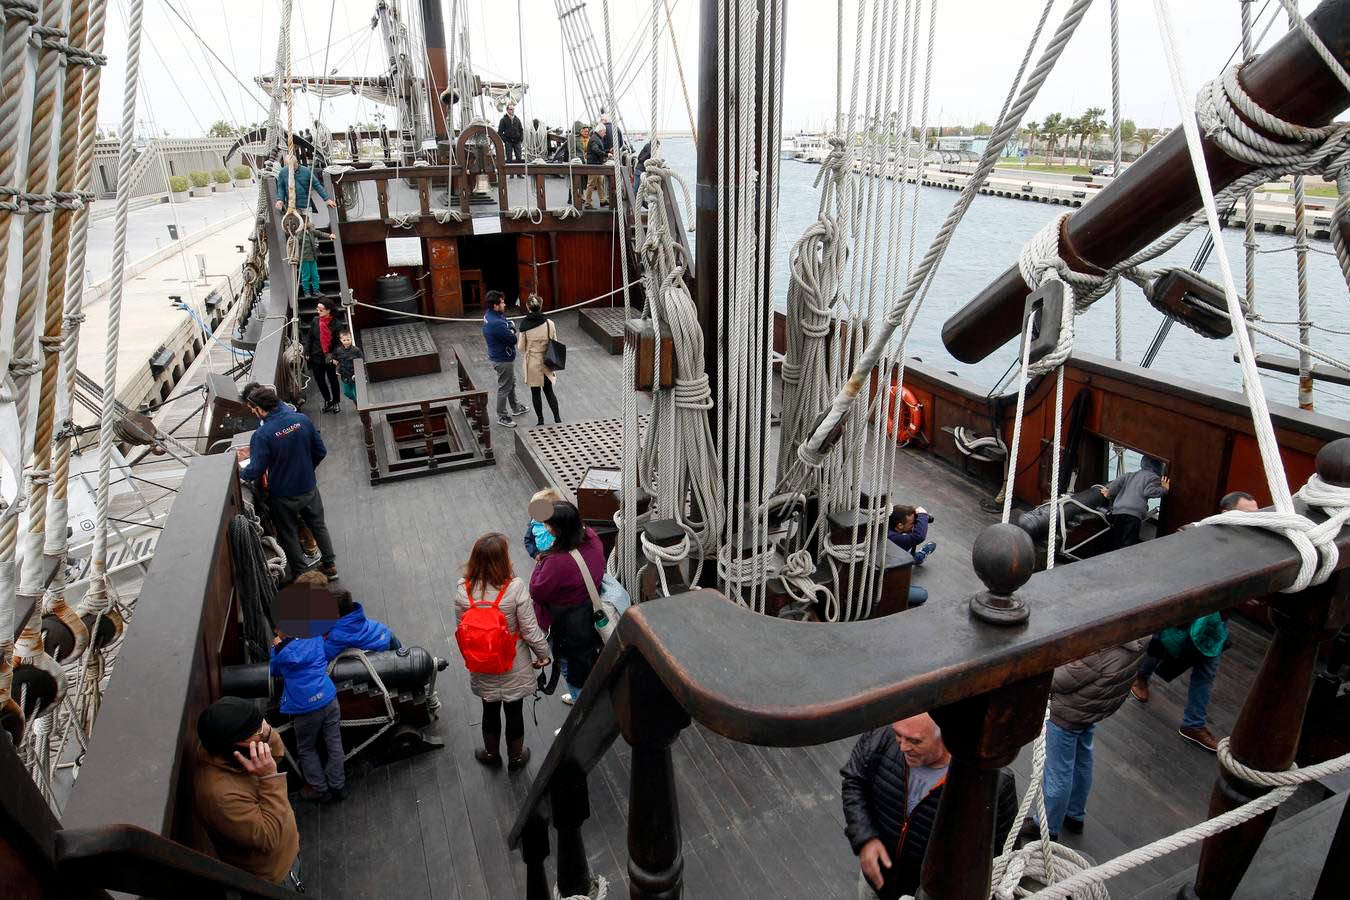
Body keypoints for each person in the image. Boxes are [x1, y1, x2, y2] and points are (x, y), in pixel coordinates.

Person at [1128, 490, 1255, 752]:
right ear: (1225, 514)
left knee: (1206, 669)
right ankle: (1140, 677)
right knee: (1160, 645)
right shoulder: (1193, 535)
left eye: (1256, 516)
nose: (1253, 521)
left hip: (1216, 618)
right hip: (1186, 613)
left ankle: (1193, 723)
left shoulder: (1251, 544)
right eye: (1247, 515)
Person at [842, 713, 1018, 899]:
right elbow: (854, 781)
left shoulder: (993, 784)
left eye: (915, 741)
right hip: (875, 884)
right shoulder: (882, 736)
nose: (902, 747)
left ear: (945, 736)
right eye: (898, 735)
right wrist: (865, 839)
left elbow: (1000, 851)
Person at [457, 533, 551, 771]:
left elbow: (461, 629)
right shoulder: (515, 588)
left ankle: (491, 753)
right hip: (513, 662)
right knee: (514, 709)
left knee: (489, 707)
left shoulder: (463, 590)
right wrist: (543, 654)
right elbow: (529, 630)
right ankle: (516, 758)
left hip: (482, 661)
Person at [1041, 638, 1147, 838]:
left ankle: (1047, 827)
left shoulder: (1103, 648)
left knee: (1058, 771)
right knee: (1082, 759)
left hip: (1069, 712)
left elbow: (1058, 680)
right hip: (1094, 707)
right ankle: (1075, 814)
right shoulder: (1141, 637)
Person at [193, 697, 302, 888]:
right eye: (258, 731)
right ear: (236, 745)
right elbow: (268, 837)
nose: (264, 731)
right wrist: (269, 778)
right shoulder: (219, 796)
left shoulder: (231, 755)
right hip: (276, 875)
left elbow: (276, 755)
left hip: (288, 849)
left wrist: (266, 733)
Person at [239, 384, 337, 583]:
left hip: (283, 495)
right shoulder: (301, 420)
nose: (252, 412)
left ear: (259, 409)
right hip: (308, 488)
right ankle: (331, 566)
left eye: (252, 409)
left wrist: (238, 470)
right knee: (318, 526)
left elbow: (255, 470)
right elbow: (321, 451)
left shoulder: (262, 435)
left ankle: (302, 574)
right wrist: (307, 470)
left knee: (289, 534)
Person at [529, 500, 605, 700]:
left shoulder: (556, 562)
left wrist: (542, 559)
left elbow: (537, 591)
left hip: (567, 626)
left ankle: (581, 706)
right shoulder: (591, 538)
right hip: (591, 614)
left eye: (548, 524)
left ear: (558, 531)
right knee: (589, 659)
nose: (545, 527)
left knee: (571, 668)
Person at [270, 627, 346, 802]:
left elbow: (274, 670)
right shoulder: (314, 636)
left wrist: (276, 648)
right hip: (328, 698)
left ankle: (320, 790)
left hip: (305, 708)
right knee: (334, 743)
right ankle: (338, 786)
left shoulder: (282, 652)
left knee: (306, 749)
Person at [1099, 456, 1170, 548]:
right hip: (1134, 514)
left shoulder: (1130, 474)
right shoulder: (1154, 478)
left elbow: (1117, 483)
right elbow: (1148, 491)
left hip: (1118, 511)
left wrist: (1108, 493)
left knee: (1117, 539)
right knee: (1129, 543)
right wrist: (1164, 489)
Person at [482, 290, 528, 427]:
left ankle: (515, 407)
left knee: (510, 382)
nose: (504, 304)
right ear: (495, 305)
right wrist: (513, 329)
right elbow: (512, 339)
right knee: (505, 387)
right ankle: (502, 416)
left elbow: (506, 323)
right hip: (503, 359)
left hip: (498, 355)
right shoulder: (496, 323)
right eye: (502, 302)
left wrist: (509, 326)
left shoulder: (490, 315)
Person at [517, 296, 563, 427]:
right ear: (541, 306)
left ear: (528, 307)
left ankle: (540, 420)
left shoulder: (525, 325)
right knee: (549, 391)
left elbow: (521, 347)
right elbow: (554, 340)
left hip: (532, 362)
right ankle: (557, 418)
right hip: (547, 361)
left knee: (535, 392)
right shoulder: (549, 323)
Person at [324, 588, 401, 658]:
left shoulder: (337, 635)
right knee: (401, 655)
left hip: (380, 648)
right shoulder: (356, 615)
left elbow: (324, 655)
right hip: (385, 632)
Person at [303, 300, 342, 414]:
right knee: (320, 380)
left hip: (329, 357)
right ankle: (327, 400)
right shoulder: (315, 321)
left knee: (333, 380)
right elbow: (310, 338)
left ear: (328, 310)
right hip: (316, 356)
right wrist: (307, 351)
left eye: (321, 310)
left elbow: (338, 344)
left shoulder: (336, 324)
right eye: (317, 309)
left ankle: (336, 401)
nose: (318, 311)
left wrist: (334, 356)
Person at [297, 220, 333, 300]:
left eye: (308, 222)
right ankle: (306, 291)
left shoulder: (311, 231)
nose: (308, 223)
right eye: (306, 222)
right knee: (306, 276)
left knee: (315, 275)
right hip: (304, 258)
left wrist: (329, 235)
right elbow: (295, 242)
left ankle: (316, 290)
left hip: (312, 257)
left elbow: (320, 233)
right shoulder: (299, 234)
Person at [329, 328, 363, 408]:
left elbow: (361, 361)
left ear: (351, 338)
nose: (346, 342)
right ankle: (356, 401)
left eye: (348, 339)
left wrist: (358, 373)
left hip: (355, 375)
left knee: (358, 392)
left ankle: (360, 406)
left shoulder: (356, 350)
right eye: (344, 340)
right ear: (341, 340)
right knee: (347, 392)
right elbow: (333, 358)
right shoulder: (338, 350)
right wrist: (333, 361)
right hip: (344, 376)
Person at [582, 124, 608, 209]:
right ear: (600, 131)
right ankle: (588, 202)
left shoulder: (596, 138)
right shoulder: (594, 139)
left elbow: (598, 149)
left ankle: (602, 200)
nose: (605, 134)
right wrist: (606, 154)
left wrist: (606, 152)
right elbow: (595, 149)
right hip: (594, 165)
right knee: (591, 184)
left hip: (597, 164)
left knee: (600, 182)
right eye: (604, 132)